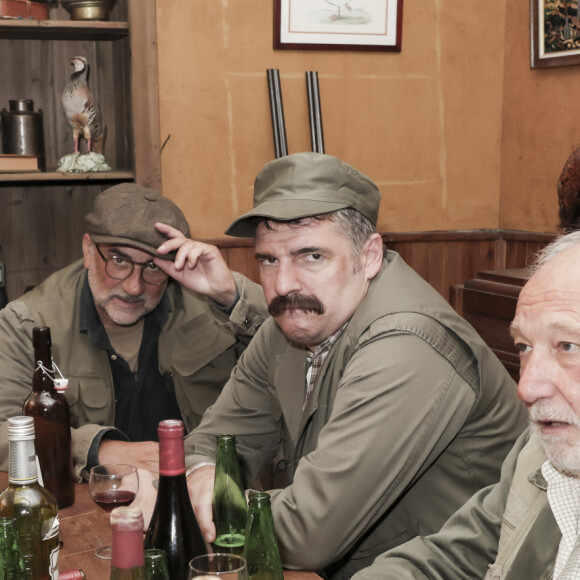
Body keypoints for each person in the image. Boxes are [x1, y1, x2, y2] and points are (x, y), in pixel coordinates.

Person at [176, 152, 527, 580]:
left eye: (312, 257)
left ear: (371, 255)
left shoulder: (408, 344)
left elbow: (308, 533)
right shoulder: (292, 322)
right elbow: (211, 440)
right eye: (268, 259)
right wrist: (200, 473)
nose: (283, 284)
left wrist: (208, 504)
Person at [350, 230, 580, 580]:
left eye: (567, 346)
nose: (527, 387)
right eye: (524, 347)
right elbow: (445, 560)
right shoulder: (537, 451)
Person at [0, 183, 268, 483]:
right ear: (89, 250)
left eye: (153, 266)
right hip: (93, 508)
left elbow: (290, 357)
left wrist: (230, 295)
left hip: (205, 493)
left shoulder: (213, 304)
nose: (134, 287)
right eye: (119, 260)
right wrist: (99, 450)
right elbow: (3, 432)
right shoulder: (26, 324)